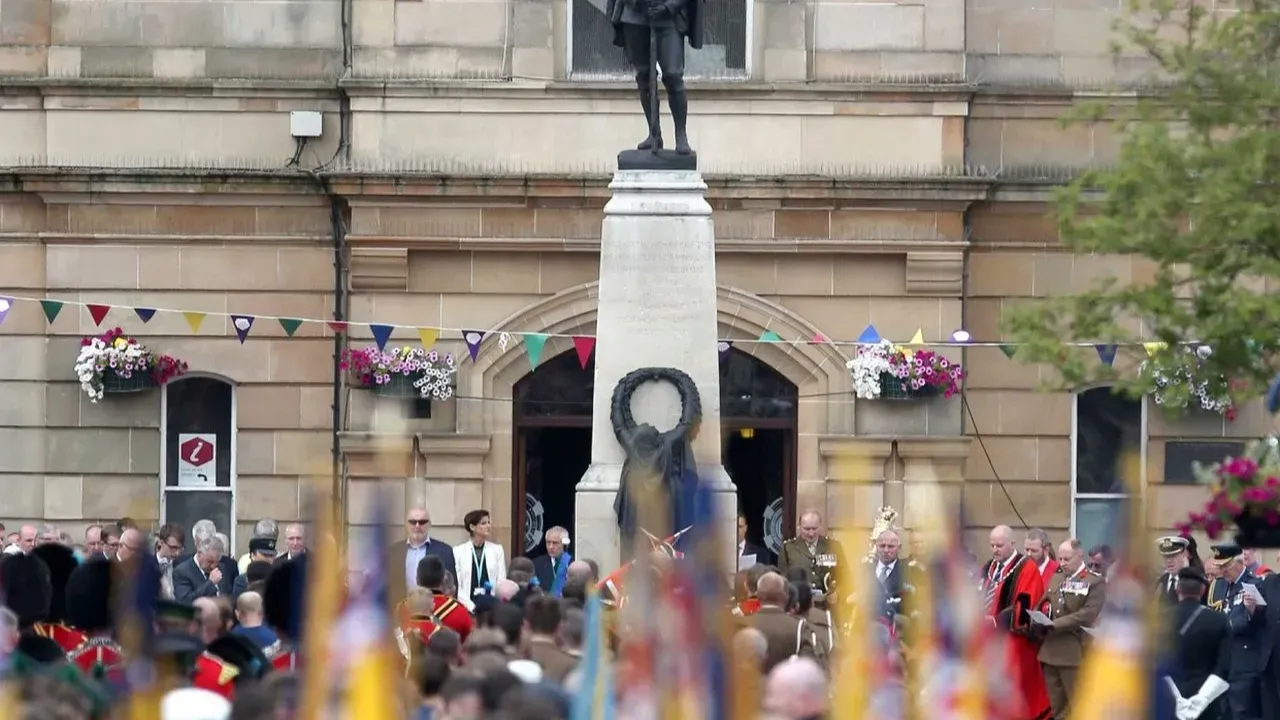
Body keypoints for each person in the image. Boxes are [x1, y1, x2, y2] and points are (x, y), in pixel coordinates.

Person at [982, 525, 1051, 720]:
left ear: (1012, 544)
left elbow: (1025, 607)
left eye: (999, 545)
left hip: (1014, 642)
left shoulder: (1026, 567)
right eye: (992, 545)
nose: (995, 550)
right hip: (988, 642)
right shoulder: (989, 567)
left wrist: (996, 621)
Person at [1034, 539, 1105, 719]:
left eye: (1067, 559)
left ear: (1079, 556)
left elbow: (1088, 614)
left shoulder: (1093, 581)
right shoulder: (1058, 576)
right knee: (1058, 708)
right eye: (1060, 559)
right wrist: (1036, 615)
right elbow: (1045, 600)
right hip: (1050, 651)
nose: (1062, 563)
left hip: (1074, 652)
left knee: (1079, 707)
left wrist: (1056, 624)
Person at [1169, 566, 1230, 720]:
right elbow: (1225, 666)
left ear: (1177, 589)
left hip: (1168, 703)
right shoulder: (1219, 620)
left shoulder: (1159, 620)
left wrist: (1176, 697)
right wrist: (1203, 698)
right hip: (1207, 704)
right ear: (1203, 591)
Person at [388, 506, 457, 608]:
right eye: (413, 522)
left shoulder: (444, 551)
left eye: (422, 522)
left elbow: (451, 587)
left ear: (429, 524)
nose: (417, 526)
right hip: (401, 610)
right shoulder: (393, 551)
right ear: (406, 524)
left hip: (434, 610)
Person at [776, 511, 846, 608]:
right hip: (799, 605)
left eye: (815, 528)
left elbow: (844, 575)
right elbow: (782, 579)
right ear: (799, 527)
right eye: (807, 529)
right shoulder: (788, 548)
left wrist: (837, 592)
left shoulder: (833, 546)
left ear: (820, 526)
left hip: (828, 605)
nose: (811, 533)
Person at [453, 509, 507, 611]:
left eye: (488, 522)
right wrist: (472, 607)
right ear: (472, 527)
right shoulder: (458, 551)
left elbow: (501, 581)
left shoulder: (497, 550)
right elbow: (457, 585)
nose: (488, 526)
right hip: (467, 606)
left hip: (491, 606)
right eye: (483, 523)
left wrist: (493, 604)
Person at [174, 535, 233, 603]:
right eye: (210, 561)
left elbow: (229, 596)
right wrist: (211, 583)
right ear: (199, 553)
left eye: (217, 562)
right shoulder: (182, 571)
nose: (213, 566)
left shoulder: (221, 567)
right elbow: (185, 601)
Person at [531, 526, 572, 597]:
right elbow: (531, 588)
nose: (551, 547)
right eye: (548, 542)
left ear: (565, 544)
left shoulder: (572, 564)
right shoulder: (536, 563)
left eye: (555, 543)